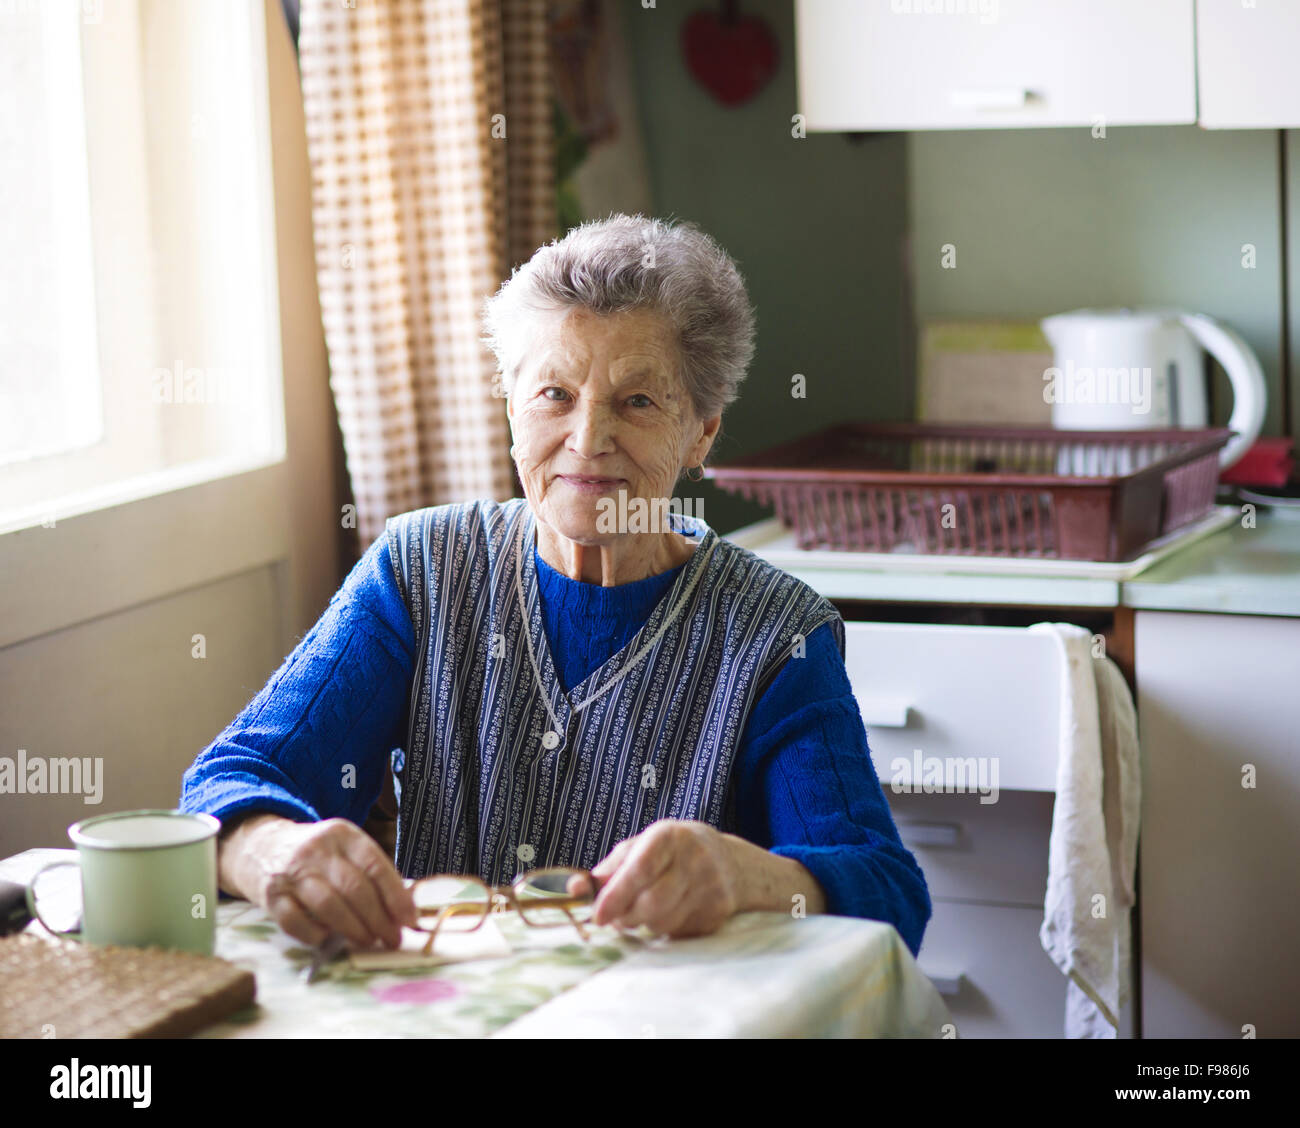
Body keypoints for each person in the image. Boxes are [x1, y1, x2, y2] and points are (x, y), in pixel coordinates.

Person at [180, 214, 931, 957]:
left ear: (702, 431)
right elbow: (228, 780)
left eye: (637, 401)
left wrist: (747, 874)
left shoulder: (775, 633)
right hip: (451, 1011)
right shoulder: (421, 570)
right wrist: (272, 851)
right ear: (511, 407)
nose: (588, 438)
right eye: (554, 395)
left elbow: (889, 895)